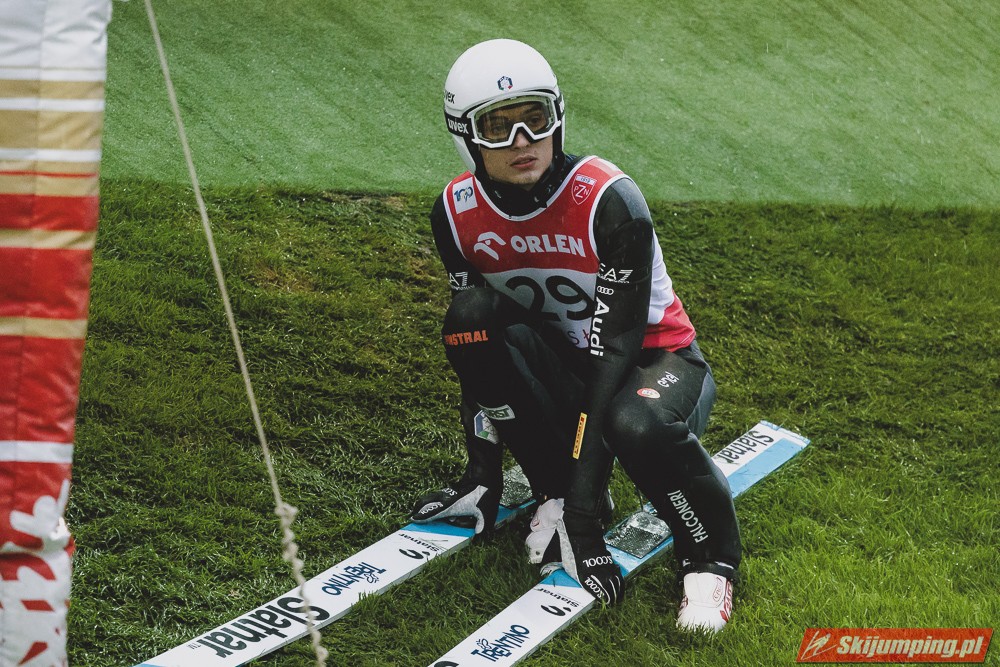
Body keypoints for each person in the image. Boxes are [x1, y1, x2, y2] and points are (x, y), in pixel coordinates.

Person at [410, 38, 741, 632]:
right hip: (571, 363)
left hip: (654, 365)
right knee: (467, 320)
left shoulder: (609, 201)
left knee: (630, 420)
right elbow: (474, 351)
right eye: (498, 127)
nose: (523, 141)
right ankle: (553, 492)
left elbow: (613, 352)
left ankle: (710, 560)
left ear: (557, 117)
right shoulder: (454, 214)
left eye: (534, 119)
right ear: (466, 136)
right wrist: (482, 473)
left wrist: (585, 524)